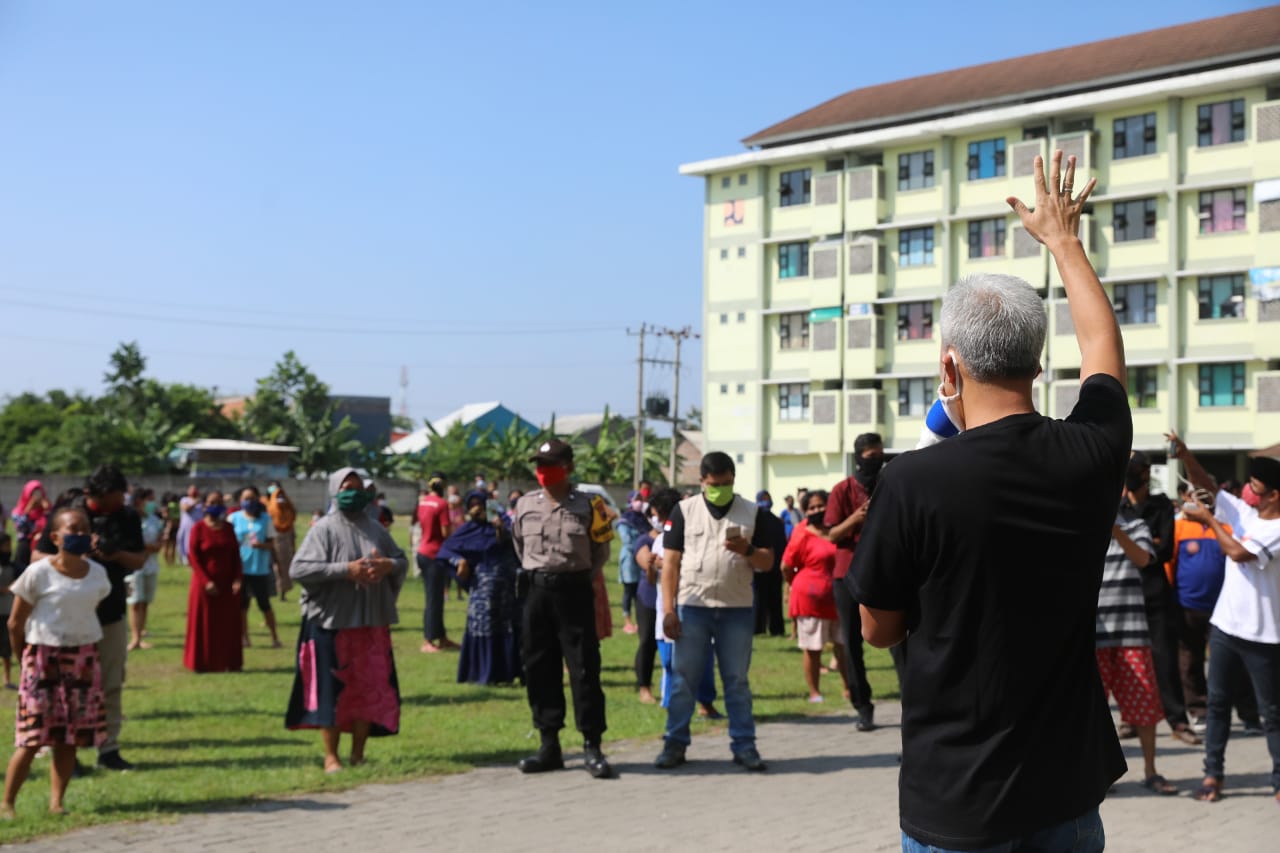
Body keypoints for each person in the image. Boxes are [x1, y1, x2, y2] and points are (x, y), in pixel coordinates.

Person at [850, 152, 1130, 850]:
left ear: (949, 364)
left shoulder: (911, 481)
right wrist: (1062, 240)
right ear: (1038, 364)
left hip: (958, 799)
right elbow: (1102, 344)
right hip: (1065, 791)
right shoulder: (1090, 454)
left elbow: (878, 628)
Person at [654, 451, 776, 772]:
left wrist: (748, 550)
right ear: (702, 482)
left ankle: (744, 746)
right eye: (713, 484)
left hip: (736, 609)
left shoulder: (752, 513)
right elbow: (669, 565)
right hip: (693, 608)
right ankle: (674, 744)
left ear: (734, 479)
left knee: (736, 681)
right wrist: (669, 611)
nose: (720, 489)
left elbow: (767, 563)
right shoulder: (683, 511)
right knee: (683, 680)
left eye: (725, 483)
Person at [1177, 445, 1280, 804]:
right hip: (1225, 629)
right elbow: (1210, 488)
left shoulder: (1279, 528)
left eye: (1255, 486)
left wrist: (1208, 521)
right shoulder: (1245, 513)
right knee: (1217, 705)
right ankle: (1212, 774)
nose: (1248, 491)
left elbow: (1238, 553)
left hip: (1265, 637)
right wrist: (1186, 455)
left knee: (1272, 714)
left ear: (1275, 494)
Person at [286, 468, 407, 774]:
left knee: (366, 688)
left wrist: (387, 566)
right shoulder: (323, 528)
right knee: (331, 691)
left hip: (368, 623)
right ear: (334, 491)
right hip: (332, 623)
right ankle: (331, 757)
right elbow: (299, 569)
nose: (353, 493)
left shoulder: (375, 528)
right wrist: (345, 571)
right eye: (346, 487)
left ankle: (358, 754)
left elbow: (401, 560)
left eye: (358, 487)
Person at [510, 439, 613, 779]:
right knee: (539, 667)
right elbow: (519, 545)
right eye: (539, 464)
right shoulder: (524, 504)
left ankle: (592, 744)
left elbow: (600, 551)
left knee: (583, 668)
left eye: (550, 464)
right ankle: (548, 744)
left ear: (568, 467)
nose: (543, 471)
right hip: (537, 591)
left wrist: (577, 574)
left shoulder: (590, 505)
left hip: (574, 591)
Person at [33, 466, 145, 773]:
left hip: (110, 613)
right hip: (68, 617)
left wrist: (115, 554)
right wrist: (74, 558)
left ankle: (108, 749)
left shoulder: (127, 517)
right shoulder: (68, 514)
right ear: (101, 494)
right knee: (66, 688)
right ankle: (67, 751)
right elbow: (36, 557)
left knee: (110, 682)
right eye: (117, 494)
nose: (123, 499)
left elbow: (139, 559)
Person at [2, 507, 110, 819]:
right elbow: (15, 622)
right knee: (33, 736)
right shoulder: (38, 573)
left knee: (70, 735)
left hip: (83, 658)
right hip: (42, 657)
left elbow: (89, 608)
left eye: (84, 530)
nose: (79, 535)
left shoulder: (97, 574)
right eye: (72, 530)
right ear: (55, 537)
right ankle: (8, 803)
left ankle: (56, 802)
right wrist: (26, 660)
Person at [1097, 502, 1177, 795]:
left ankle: (1150, 770)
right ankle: (1098, 776)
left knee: (1144, 704)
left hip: (1132, 631)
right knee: (1093, 711)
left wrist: (1115, 530)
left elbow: (1143, 559)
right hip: (1093, 635)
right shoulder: (1082, 525)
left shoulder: (1136, 525)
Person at [1124, 451, 1200, 746]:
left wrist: (1133, 544)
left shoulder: (1160, 506)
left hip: (1155, 595)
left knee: (1165, 660)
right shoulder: (1117, 507)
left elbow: (1165, 548)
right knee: (1129, 663)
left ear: (1145, 473)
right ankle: (1131, 719)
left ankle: (1178, 720)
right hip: (1126, 596)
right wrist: (1146, 543)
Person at [640, 490, 722, 716]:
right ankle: (671, 704)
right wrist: (650, 566)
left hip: (693, 604)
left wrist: (666, 564)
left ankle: (705, 703)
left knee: (702, 658)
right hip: (665, 607)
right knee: (669, 661)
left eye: (657, 514)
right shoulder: (658, 540)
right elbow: (652, 579)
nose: (654, 518)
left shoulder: (692, 535)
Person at [826, 431, 884, 731]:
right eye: (871, 456)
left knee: (903, 642)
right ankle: (862, 706)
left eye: (880, 454)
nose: (877, 461)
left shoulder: (890, 484)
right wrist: (857, 518)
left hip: (887, 570)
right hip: (847, 575)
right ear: (858, 456)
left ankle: (914, 705)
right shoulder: (842, 490)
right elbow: (832, 534)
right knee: (852, 643)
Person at [440, 491, 521, 685]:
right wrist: (459, 561)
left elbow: (515, 544)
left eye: (481, 504)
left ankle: (506, 673)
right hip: (482, 588)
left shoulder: (504, 523)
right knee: (482, 626)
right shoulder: (467, 529)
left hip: (506, 588)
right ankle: (482, 673)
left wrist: (500, 528)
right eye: (473, 505)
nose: (477, 508)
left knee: (507, 626)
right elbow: (445, 550)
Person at [782, 490, 845, 703]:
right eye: (812, 508)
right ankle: (814, 692)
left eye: (821, 506)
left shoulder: (839, 530)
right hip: (810, 599)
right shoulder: (801, 534)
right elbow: (786, 566)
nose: (817, 510)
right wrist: (795, 585)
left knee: (843, 646)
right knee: (813, 648)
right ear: (804, 511)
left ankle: (849, 688)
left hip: (838, 597)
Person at [184, 491, 243, 673]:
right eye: (211, 502)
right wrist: (205, 581)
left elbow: (236, 556)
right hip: (204, 584)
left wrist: (238, 579)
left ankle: (229, 662)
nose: (215, 505)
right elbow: (193, 557)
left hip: (227, 584)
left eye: (218, 502)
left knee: (228, 623)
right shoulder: (198, 528)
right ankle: (202, 663)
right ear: (205, 505)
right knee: (204, 623)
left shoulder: (228, 528)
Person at [231, 486, 281, 649]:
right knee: (242, 606)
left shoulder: (265, 518)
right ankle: (244, 638)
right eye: (246, 498)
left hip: (259, 569)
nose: (249, 502)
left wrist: (262, 545)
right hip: (240, 569)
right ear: (240, 501)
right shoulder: (233, 518)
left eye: (252, 498)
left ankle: (275, 637)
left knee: (264, 604)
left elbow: (272, 544)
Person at [416, 473, 456, 653]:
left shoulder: (423, 502)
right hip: (435, 554)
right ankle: (428, 640)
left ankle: (441, 637)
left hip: (423, 551)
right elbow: (446, 532)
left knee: (436, 598)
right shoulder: (441, 504)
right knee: (434, 599)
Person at [127, 487, 164, 651]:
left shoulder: (154, 520)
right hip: (134, 567)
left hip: (150, 566)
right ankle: (134, 638)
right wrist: (147, 547)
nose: (150, 503)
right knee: (135, 602)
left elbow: (159, 542)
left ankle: (140, 635)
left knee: (145, 602)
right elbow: (130, 544)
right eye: (147, 499)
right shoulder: (129, 520)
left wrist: (148, 548)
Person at [752, 491, 787, 637]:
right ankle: (765, 628)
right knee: (761, 599)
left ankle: (770, 628)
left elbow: (783, 544)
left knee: (771, 599)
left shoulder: (776, 521)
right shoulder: (755, 521)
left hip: (773, 565)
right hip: (761, 565)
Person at [617, 492, 648, 635]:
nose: (639, 503)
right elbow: (627, 541)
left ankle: (639, 621)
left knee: (639, 593)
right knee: (629, 591)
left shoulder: (644, 520)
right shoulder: (624, 521)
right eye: (636, 500)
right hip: (629, 561)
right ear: (630, 502)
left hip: (642, 561)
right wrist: (641, 548)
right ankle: (627, 622)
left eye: (641, 500)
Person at [264, 481, 297, 601]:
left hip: (282, 538)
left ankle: (282, 592)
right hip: (267, 539)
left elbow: (292, 519)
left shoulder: (286, 507)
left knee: (282, 567)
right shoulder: (266, 505)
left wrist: (293, 545)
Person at [10, 481, 49, 572]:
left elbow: (52, 525)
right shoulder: (18, 511)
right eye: (32, 494)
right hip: (26, 544)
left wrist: (47, 511)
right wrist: (28, 510)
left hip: (42, 545)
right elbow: (20, 526)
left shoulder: (47, 509)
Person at [0, 533, 14, 688]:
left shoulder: (12, 566)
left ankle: (7, 680)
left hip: (7, 611)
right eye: (5, 546)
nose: (8, 549)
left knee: (6, 649)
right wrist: (5, 589)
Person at [176, 484, 202, 566]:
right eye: (191, 489)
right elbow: (186, 509)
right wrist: (195, 503)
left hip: (198, 528)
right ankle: (187, 560)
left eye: (195, 489)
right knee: (186, 544)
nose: (193, 491)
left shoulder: (201, 502)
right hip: (187, 528)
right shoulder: (184, 500)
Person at [161, 491, 181, 567]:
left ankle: (167, 562)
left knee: (166, 545)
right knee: (173, 546)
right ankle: (172, 562)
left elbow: (165, 516)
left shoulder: (168, 506)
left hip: (169, 527)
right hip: (176, 526)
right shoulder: (178, 506)